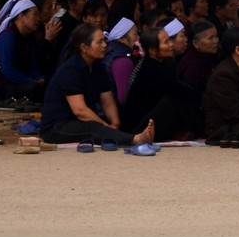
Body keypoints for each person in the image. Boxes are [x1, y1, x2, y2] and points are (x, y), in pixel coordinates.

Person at [39, 22, 156, 151]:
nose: (105, 45)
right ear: (84, 47)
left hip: (81, 122)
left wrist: (115, 123)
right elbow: (80, 111)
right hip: (58, 126)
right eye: (99, 42)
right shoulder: (70, 70)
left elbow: (107, 101)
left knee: (111, 122)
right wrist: (105, 127)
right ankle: (135, 140)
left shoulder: (98, 67)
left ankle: (128, 136)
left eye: (104, 41)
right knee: (94, 128)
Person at [120, 25, 204, 139]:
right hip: (140, 128)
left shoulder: (163, 62)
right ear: (153, 51)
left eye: (170, 40)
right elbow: (182, 90)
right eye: (166, 42)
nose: (171, 45)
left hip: (152, 117)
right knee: (175, 97)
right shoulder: (151, 69)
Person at [0, 0, 48, 103]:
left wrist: (40, 78)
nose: (38, 19)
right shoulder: (7, 37)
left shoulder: (28, 38)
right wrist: (30, 81)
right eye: (35, 15)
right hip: (1, 87)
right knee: (35, 89)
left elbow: (32, 66)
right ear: (22, 16)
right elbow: (6, 69)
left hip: (19, 83)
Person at [176, 21, 221, 92]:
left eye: (216, 37)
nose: (216, 41)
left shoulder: (212, 57)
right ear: (196, 43)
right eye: (210, 38)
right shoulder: (192, 67)